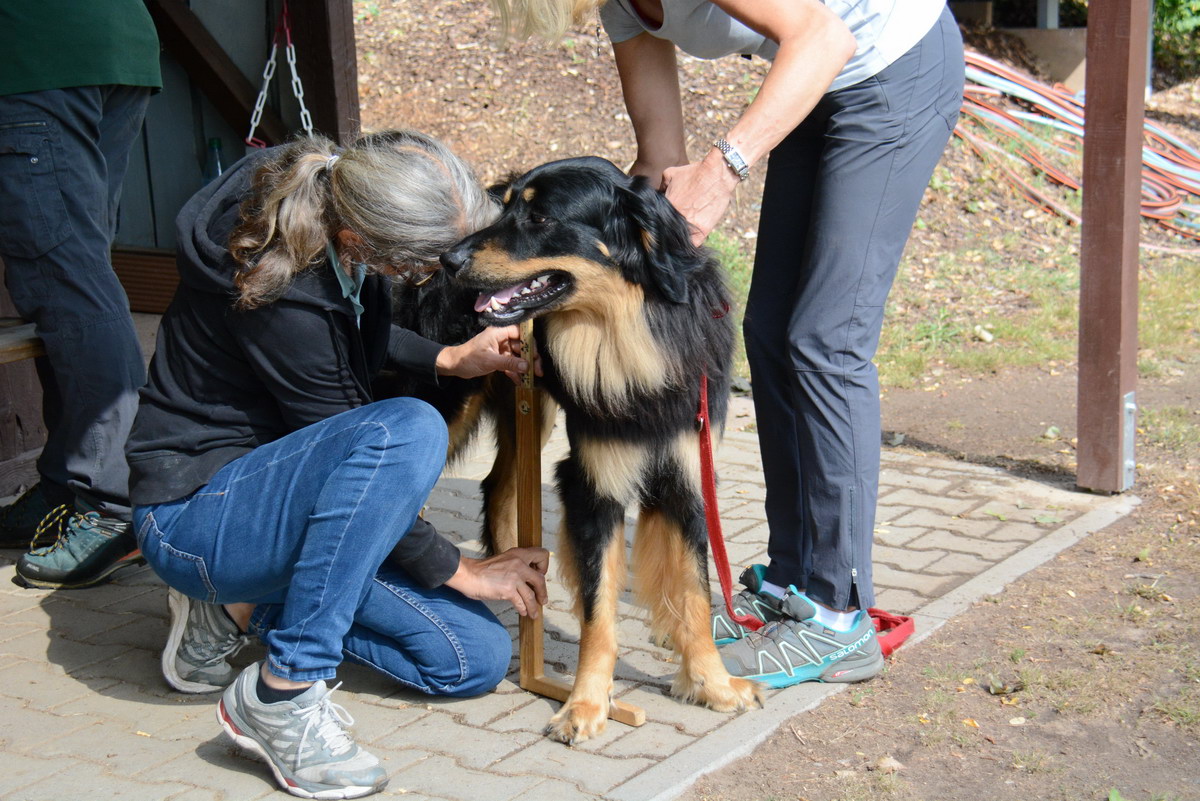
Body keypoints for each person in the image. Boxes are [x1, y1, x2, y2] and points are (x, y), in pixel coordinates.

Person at [488, 0, 964, 686]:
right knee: (770, 331)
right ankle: (795, 579)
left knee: (826, 342)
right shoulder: (622, 5)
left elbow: (820, 35)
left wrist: (725, 168)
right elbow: (658, 159)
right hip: (821, 78)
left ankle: (837, 614)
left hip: (894, 66)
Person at [125, 130, 549, 799]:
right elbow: (362, 457)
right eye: (422, 267)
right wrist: (458, 567)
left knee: (472, 657)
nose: (429, 277)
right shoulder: (285, 286)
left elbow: (351, 328)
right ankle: (283, 692)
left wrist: (448, 357)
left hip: (280, 506)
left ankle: (236, 607)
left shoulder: (335, 197)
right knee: (407, 428)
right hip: (197, 514)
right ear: (363, 242)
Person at [0, 1, 160, 588]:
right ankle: (67, 487)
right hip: (113, 40)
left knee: (69, 283)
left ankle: (114, 504)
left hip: (30, 52)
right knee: (78, 272)